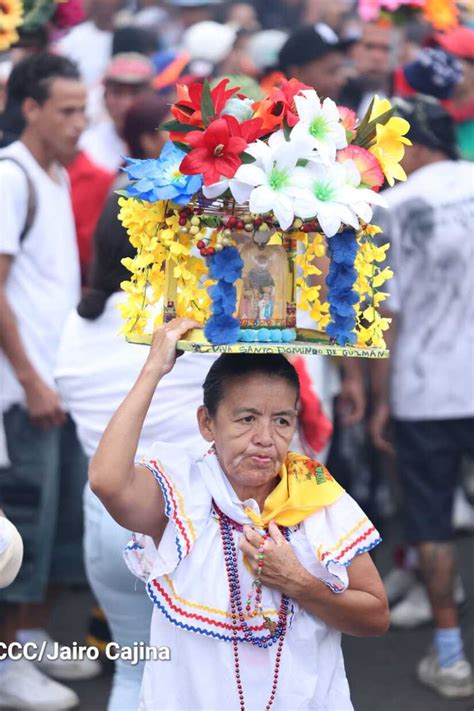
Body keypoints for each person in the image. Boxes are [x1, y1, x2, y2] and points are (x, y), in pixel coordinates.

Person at [90, 320, 389, 710]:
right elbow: (107, 482)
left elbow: (376, 616)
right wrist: (153, 370)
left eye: (281, 420)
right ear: (207, 423)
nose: (265, 438)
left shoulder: (315, 494)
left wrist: (299, 582)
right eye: (247, 419)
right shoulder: (185, 490)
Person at [55, 202, 216, 710]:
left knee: (133, 671)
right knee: (205, 679)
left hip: (104, 517)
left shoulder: (78, 324)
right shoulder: (197, 321)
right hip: (185, 518)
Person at [0, 52, 99, 710]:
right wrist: (32, 379)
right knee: (26, 530)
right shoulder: (11, 175)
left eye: (82, 109)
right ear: (29, 107)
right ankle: (8, 666)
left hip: (59, 388)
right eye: (67, 110)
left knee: (64, 528)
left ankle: (31, 641)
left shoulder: (55, 173)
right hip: (23, 393)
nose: (80, 122)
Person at [369, 95, 474, 699]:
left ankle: (451, 656)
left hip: (424, 390)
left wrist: (379, 402)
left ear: (415, 142)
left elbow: (388, 313)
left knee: (431, 523)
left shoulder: (396, 206)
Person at [80, 52, 154, 171]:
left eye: (135, 93)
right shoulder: (86, 148)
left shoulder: (169, 146)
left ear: (152, 95)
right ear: (104, 97)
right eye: (117, 93)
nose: (126, 104)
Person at [278, 22, 353, 102]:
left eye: (340, 70)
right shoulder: (270, 111)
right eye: (331, 71)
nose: (341, 81)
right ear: (296, 74)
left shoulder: (346, 105)